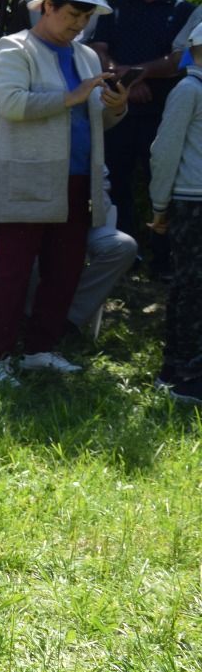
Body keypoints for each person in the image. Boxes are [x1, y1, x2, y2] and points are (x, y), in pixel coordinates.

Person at [0, 0, 129, 384]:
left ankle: (40, 350)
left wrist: (115, 106)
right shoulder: (14, 47)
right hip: (27, 177)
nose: (80, 24)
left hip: (79, 178)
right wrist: (72, 96)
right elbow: (10, 105)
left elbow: (97, 118)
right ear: (47, 7)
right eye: (73, 13)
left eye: (87, 16)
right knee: (14, 271)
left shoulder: (87, 56)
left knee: (64, 271)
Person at [90, 0, 192, 272]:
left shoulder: (185, 11)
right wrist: (129, 81)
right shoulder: (115, 9)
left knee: (160, 184)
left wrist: (136, 75)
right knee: (115, 182)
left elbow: (182, 60)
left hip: (164, 116)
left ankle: (164, 259)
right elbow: (98, 50)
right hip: (116, 110)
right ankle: (123, 255)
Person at [149, 21, 202, 404]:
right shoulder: (188, 90)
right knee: (190, 288)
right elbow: (164, 151)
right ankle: (179, 372)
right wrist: (159, 204)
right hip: (191, 202)